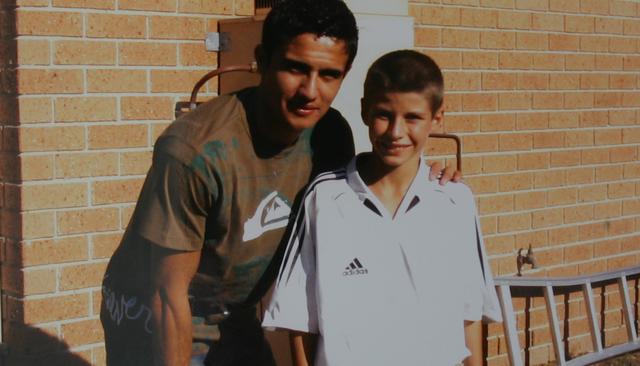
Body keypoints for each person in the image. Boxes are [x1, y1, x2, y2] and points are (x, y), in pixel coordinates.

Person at [100, 1, 458, 365]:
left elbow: (369, 190)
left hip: (232, 311)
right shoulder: (195, 151)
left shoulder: (330, 137)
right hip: (150, 309)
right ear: (263, 59)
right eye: (295, 68)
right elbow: (166, 293)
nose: (310, 91)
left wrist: (430, 179)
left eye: (329, 74)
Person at [262, 50, 502, 366]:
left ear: (437, 116)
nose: (395, 132)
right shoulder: (324, 199)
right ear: (364, 111)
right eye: (384, 115)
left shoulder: (455, 201)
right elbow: (300, 322)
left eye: (413, 118)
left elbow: (468, 316)